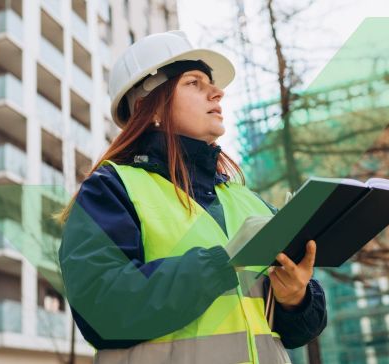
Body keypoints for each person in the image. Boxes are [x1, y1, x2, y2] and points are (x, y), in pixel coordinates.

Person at [57, 30, 327, 364]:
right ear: (147, 106)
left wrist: (296, 297)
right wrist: (222, 263)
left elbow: (300, 330)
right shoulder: (110, 190)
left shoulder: (248, 201)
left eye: (211, 84)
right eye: (194, 83)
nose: (217, 93)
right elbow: (100, 310)